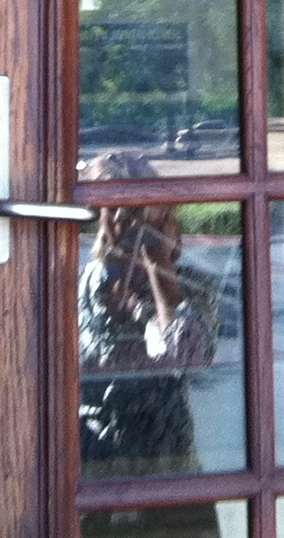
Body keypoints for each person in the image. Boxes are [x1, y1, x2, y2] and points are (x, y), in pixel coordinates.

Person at [77, 152, 216, 493]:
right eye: (116, 209)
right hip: (95, 459)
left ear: (168, 218)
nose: (127, 221)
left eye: (140, 211)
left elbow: (188, 356)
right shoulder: (81, 283)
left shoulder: (192, 286)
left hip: (167, 458)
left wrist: (158, 262)